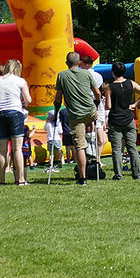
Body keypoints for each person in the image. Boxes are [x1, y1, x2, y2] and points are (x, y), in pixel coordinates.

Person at [54, 51, 102, 185]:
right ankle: (93, 155)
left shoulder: (62, 75)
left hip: (76, 115)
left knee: (79, 145)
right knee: (92, 133)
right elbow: (97, 92)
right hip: (90, 111)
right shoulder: (87, 73)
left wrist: (57, 111)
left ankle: (83, 178)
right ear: (79, 62)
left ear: (66, 63)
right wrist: (96, 104)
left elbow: (58, 98)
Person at [0, 59, 31, 185]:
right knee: (17, 149)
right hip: (15, 113)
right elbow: (28, 99)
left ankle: (2, 180)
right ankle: (21, 179)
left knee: (2, 150)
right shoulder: (20, 81)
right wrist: (23, 104)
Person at [106, 62, 140, 180]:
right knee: (132, 148)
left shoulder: (110, 87)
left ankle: (118, 174)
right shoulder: (130, 83)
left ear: (113, 72)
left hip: (115, 119)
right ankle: (136, 173)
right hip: (128, 118)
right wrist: (135, 104)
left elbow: (108, 106)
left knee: (117, 149)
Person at [81, 56, 107, 154]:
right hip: (95, 101)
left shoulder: (85, 75)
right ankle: (93, 151)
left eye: (82, 64)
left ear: (86, 64)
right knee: (94, 125)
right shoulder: (98, 76)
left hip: (88, 101)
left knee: (90, 126)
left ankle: (91, 151)